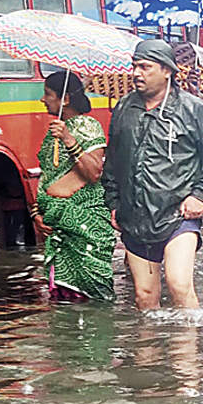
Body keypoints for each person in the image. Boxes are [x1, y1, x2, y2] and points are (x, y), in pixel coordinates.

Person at [102, 39, 203, 310]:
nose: (136, 73)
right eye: (134, 66)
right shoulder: (124, 109)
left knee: (179, 285)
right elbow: (111, 162)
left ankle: (188, 352)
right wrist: (113, 203)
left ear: (167, 70)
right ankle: (148, 352)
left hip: (177, 216)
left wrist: (199, 196)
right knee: (145, 297)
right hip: (135, 216)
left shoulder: (193, 109)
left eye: (145, 67)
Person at [30, 71, 115, 302]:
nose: (43, 99)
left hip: (85, 228)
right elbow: (47, 177)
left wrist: (69, 140)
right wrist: (37, 213)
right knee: (62, 302)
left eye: (48, 94)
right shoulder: (53, 133)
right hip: (58, 230)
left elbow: (93, 172)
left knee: (93, 301)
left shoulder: (88, 127)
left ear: (65, 99)